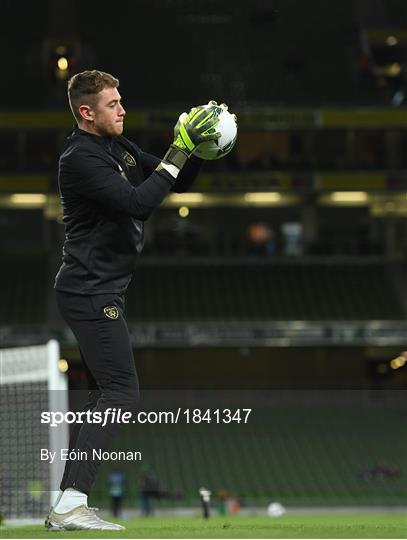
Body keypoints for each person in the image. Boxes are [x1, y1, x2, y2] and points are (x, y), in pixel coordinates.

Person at [45, 69, 225, 531]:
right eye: (112, 104)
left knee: (104, 395)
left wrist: (197, 150)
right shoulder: (79, 158)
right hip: (88, 289)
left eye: (120, 100)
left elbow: (175, 182)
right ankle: (71, 502)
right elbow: (139, 203)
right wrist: (178, 148)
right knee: (123, 391)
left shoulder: (118, 148)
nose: (122, 109)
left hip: (97, 288)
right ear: (87, 113)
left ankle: (68, 503)